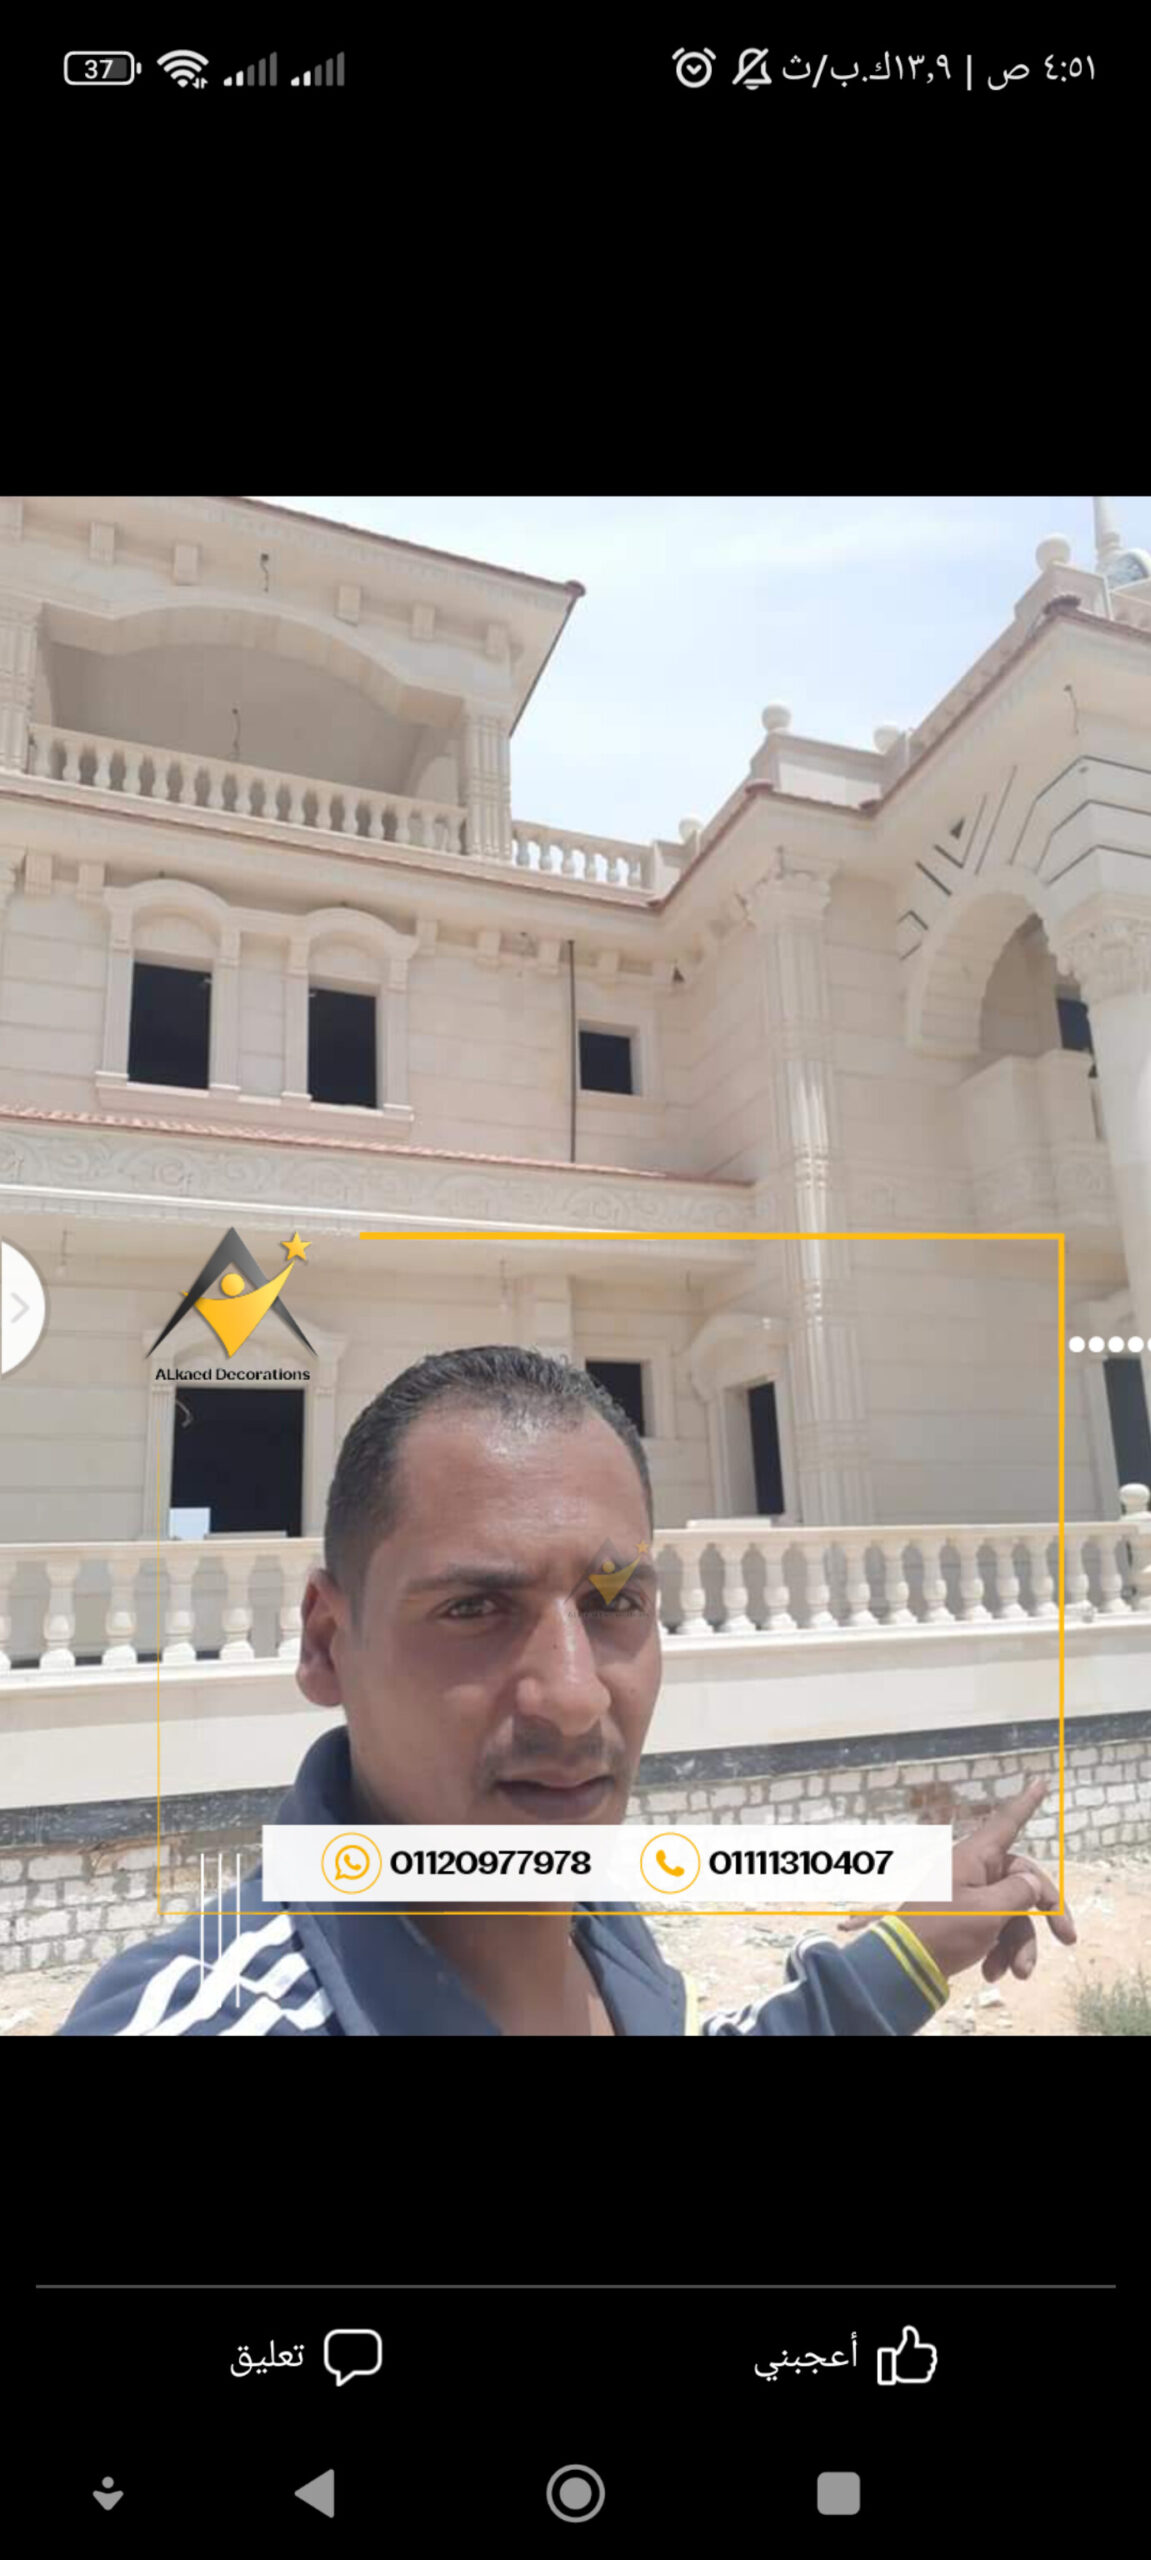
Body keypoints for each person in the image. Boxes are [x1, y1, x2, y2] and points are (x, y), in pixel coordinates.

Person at [57, 1346, 1074, 2037]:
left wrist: (903, 1953)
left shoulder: (587, 1904)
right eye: (473, 1609)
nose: (576, 1697)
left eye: (614, 1601)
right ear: (329, 1643)